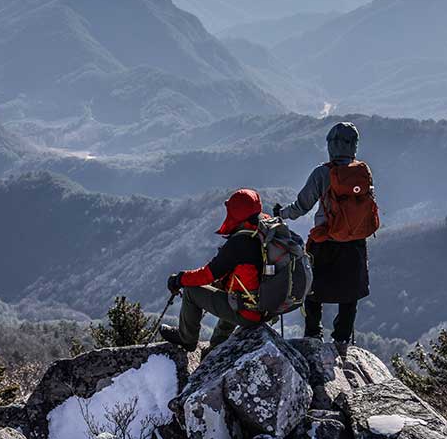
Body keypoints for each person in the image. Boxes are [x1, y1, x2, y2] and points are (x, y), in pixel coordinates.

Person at [274, 122, 376, 346]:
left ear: (331, 146)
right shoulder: (363, 172)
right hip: (355, 242)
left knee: (312, 288)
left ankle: (313, 334)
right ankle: (342, 339)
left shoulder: (323, 173)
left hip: (325, 240)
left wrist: (280, 214)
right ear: (354, 145)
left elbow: (302, 206)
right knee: (350, 293)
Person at [160, 188, 266, 352]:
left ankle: (187, 338)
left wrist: (180, 279)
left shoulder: (240, 242)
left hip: (249, 312)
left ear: (237, 213)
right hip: (265, 308)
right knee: (233, 295)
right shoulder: (264, 229)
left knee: (191, 292)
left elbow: (207, 275)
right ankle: (217, 347)